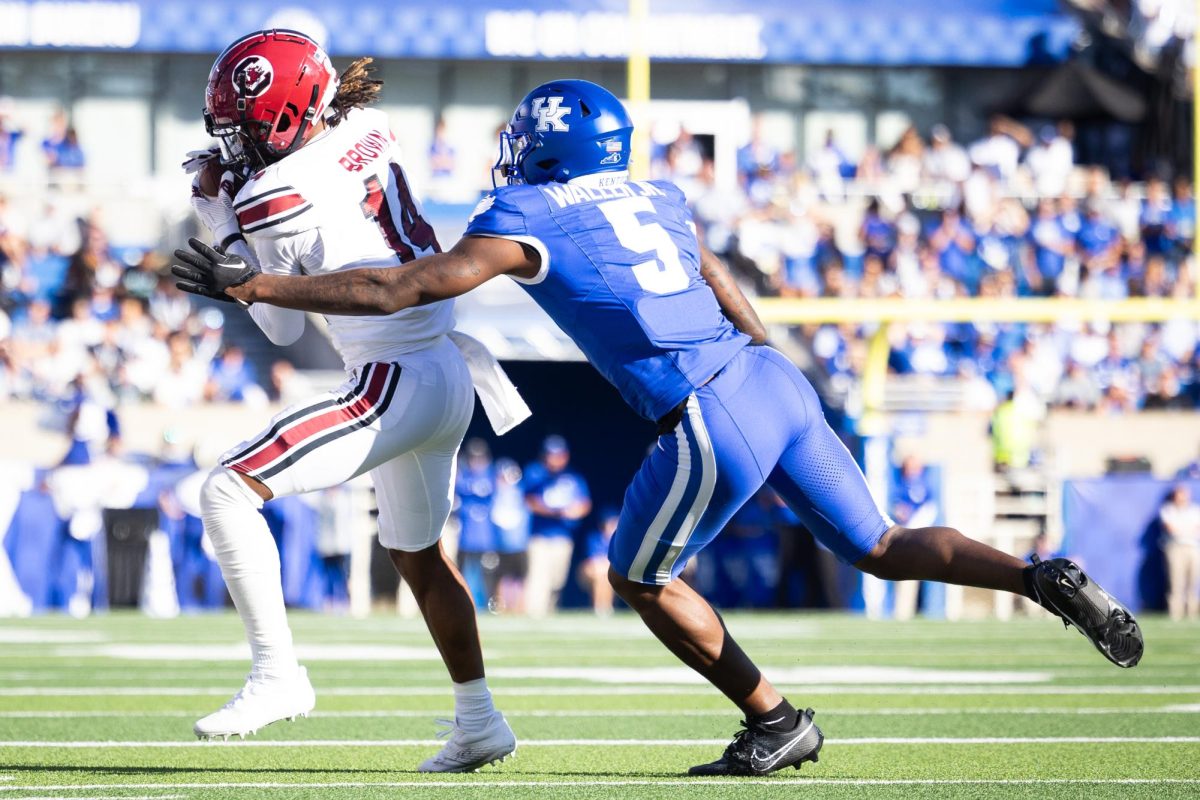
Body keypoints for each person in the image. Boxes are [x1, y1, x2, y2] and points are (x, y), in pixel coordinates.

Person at [175, 78, 1145, 776]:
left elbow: (400, 284)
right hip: (769, 376)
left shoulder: (528, 210)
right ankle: (1037, 576)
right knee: (882, 545)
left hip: (706, 405)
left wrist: (258, 281)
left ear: (540, 148)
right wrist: (771, 364)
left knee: (636, 574)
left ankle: (772, 716)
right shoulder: (662, 193)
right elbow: (725, 281)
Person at [176, 30, 518, 771]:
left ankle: (278, 675)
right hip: (445, 373)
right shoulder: (367, 126)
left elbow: (278, 320)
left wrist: (217, 219)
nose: (237, 146)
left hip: (394, 376)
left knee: (227, 490)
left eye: (247, 127)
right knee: (419, 558)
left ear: (294, 112)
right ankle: (480, 721)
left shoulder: (271, 194)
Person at [522, 435, 591, 616]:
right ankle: (534, 615)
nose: (555, 459)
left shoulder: (573, 477)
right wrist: (557, 512)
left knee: (556, 580)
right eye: (551, 455)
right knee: (538, 577)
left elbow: (585, 504)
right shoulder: (535, 472)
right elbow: (529, 500)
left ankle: (549, 613)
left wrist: (575, 511)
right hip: (540, 536)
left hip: (563, 536)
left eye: (558, 455)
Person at [1159, 484, 1200, 620]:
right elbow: (1171, 529)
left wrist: (1184, 531)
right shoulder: (1168, 510)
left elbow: (1196, 529)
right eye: (1179, 494)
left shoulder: (1195, 510)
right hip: (1175, 548)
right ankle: (1176, 613)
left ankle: (1192, 613)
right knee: (1176, 581)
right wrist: (1186, 531)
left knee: (1192, 581)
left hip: (1192, 548)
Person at [578, 507, 620, 616]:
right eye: (611, 523)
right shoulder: (594, 538)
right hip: (591, 571)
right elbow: (592, 561)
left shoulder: (620, 540)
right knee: (601, 574)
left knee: (606, 575)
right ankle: (599, 607)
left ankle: (606, 607)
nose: (613, 526)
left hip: (610, 572)